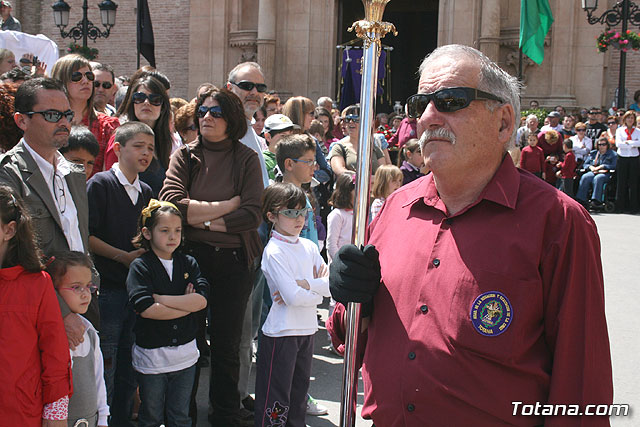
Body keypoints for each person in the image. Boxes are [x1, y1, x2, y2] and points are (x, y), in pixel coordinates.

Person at [327, 44, 612, 426]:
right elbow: (352, 338)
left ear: (503, 122)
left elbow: (580, 381)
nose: (428, 116)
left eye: (450, 99)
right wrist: (350, 300)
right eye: (419, 103)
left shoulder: (559, 221)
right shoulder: (396, 208)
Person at [160, 87, 263, 427]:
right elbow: (171, 202)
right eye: (203, 111)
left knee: (226, 344)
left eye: (216, 112)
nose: (207, 117)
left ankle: (225, 415)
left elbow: (251, 214)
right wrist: (225, 209)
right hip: (191, 258)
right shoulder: (186, 156)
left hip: (234, 262)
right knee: (187, 341)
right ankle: (182, 415)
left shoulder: (245, 158)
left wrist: (200, 218)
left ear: (231, 119)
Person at [0, 77, 98, 338]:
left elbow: (78, 238)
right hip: (40, 315)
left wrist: (89, 289)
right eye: (52, 114)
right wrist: (62, 310)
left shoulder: (73, 173)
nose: (64, 122)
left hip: (84, 304)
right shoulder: (8, 174)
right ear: (22, 120)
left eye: (67, 113)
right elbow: (15, 257)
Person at [254, 183, 331, 427]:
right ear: (271, 216)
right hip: (281, 333)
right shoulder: (274, 250)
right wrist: (314, 290)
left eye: (302, 212)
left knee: (298, 397)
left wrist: (304, 284)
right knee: (276, 400)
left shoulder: (309, 246)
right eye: (290, 212)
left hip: (307, 329)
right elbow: (292, 297)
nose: (298, 219)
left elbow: (329, 286)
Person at [127, 200, 208, 427]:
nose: (172, 236)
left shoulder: (189, 263)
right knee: (151, 415)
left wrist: (162, 299)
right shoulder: (141, 266)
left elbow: (201, 301)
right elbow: (146, 309)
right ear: (147, 232)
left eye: (177, 231)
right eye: (164, 230)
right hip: (152, 358)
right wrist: (185, 303)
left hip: (185, 356)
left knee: (180, 416)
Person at [0, 186, 72, 426]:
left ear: (9, 230)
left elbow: (55, 354)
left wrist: (56, 414)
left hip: (20, 413)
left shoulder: (37, 284)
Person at [46, 251, 109, 427]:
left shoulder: (90, 332)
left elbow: (99, 380)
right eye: (76, 287)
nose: (85, 294)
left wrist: (103, 418)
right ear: (55, 291)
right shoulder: (50, 335)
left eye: (88, 286)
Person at [50, 54, 120, 178]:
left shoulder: (108, 126)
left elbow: (109, 175)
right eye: (77, 76)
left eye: (89, 76)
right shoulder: (48, 122)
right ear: (61, 80)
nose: (85, 81)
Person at [104, 75, 173, 196]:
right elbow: (110, 186)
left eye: (155, 99)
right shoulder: (120, 137)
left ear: (163, 107)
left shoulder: (164, 141)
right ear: (132, 103)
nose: (146, 103)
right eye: (140, 97)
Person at [226, 61, 270, 188]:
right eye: (247, 85)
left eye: (260, 88)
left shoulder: (251, 130)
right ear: (230, 88)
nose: (254, 92)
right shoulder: (221, 130)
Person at [328, 105, 385, 176]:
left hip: (373, 187)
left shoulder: (373, 147)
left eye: (356, 119)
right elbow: (340, 171)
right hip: (351, 186)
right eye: (347, 119)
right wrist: (365, 179)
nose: (351, 122)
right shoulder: (338, 147)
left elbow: (384, 173)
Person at [576, 136, 617, 208]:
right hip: (593, 171)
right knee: (585, 177)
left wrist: (603, 166)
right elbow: (586, 164)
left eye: (603, 144)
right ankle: (581, 199)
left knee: (598, 178)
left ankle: (596, 200)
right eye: (599, 145)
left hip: (605, 173)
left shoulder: (613, 154)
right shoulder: (593, 153)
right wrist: (590, 167)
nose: (601, 146)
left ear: (607, 145)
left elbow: (614, 166)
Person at [614, 110, 640, 213]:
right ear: (625, 119)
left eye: (632, 118)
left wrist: (629, 143)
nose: (630, 120)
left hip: (634, 157)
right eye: (628, 118)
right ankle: (620, 206)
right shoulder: (620, 130)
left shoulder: (637, 131)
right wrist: (632, 143)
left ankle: (633, 207)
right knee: (622, 182)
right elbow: (618, 144)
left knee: (633, 182)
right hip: (623, 157)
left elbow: (639, 143)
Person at [326, 171, 355, 263]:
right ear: (346, 192)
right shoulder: (337, 215)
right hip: (340, 266)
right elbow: (331, 245)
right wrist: (341, 264)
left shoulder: (357, 214)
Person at [262, 113, 298, 181]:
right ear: (268, 137)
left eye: (290, 136)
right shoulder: (263, 161)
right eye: (283, 136)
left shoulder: (295, 158)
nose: (288, 140)